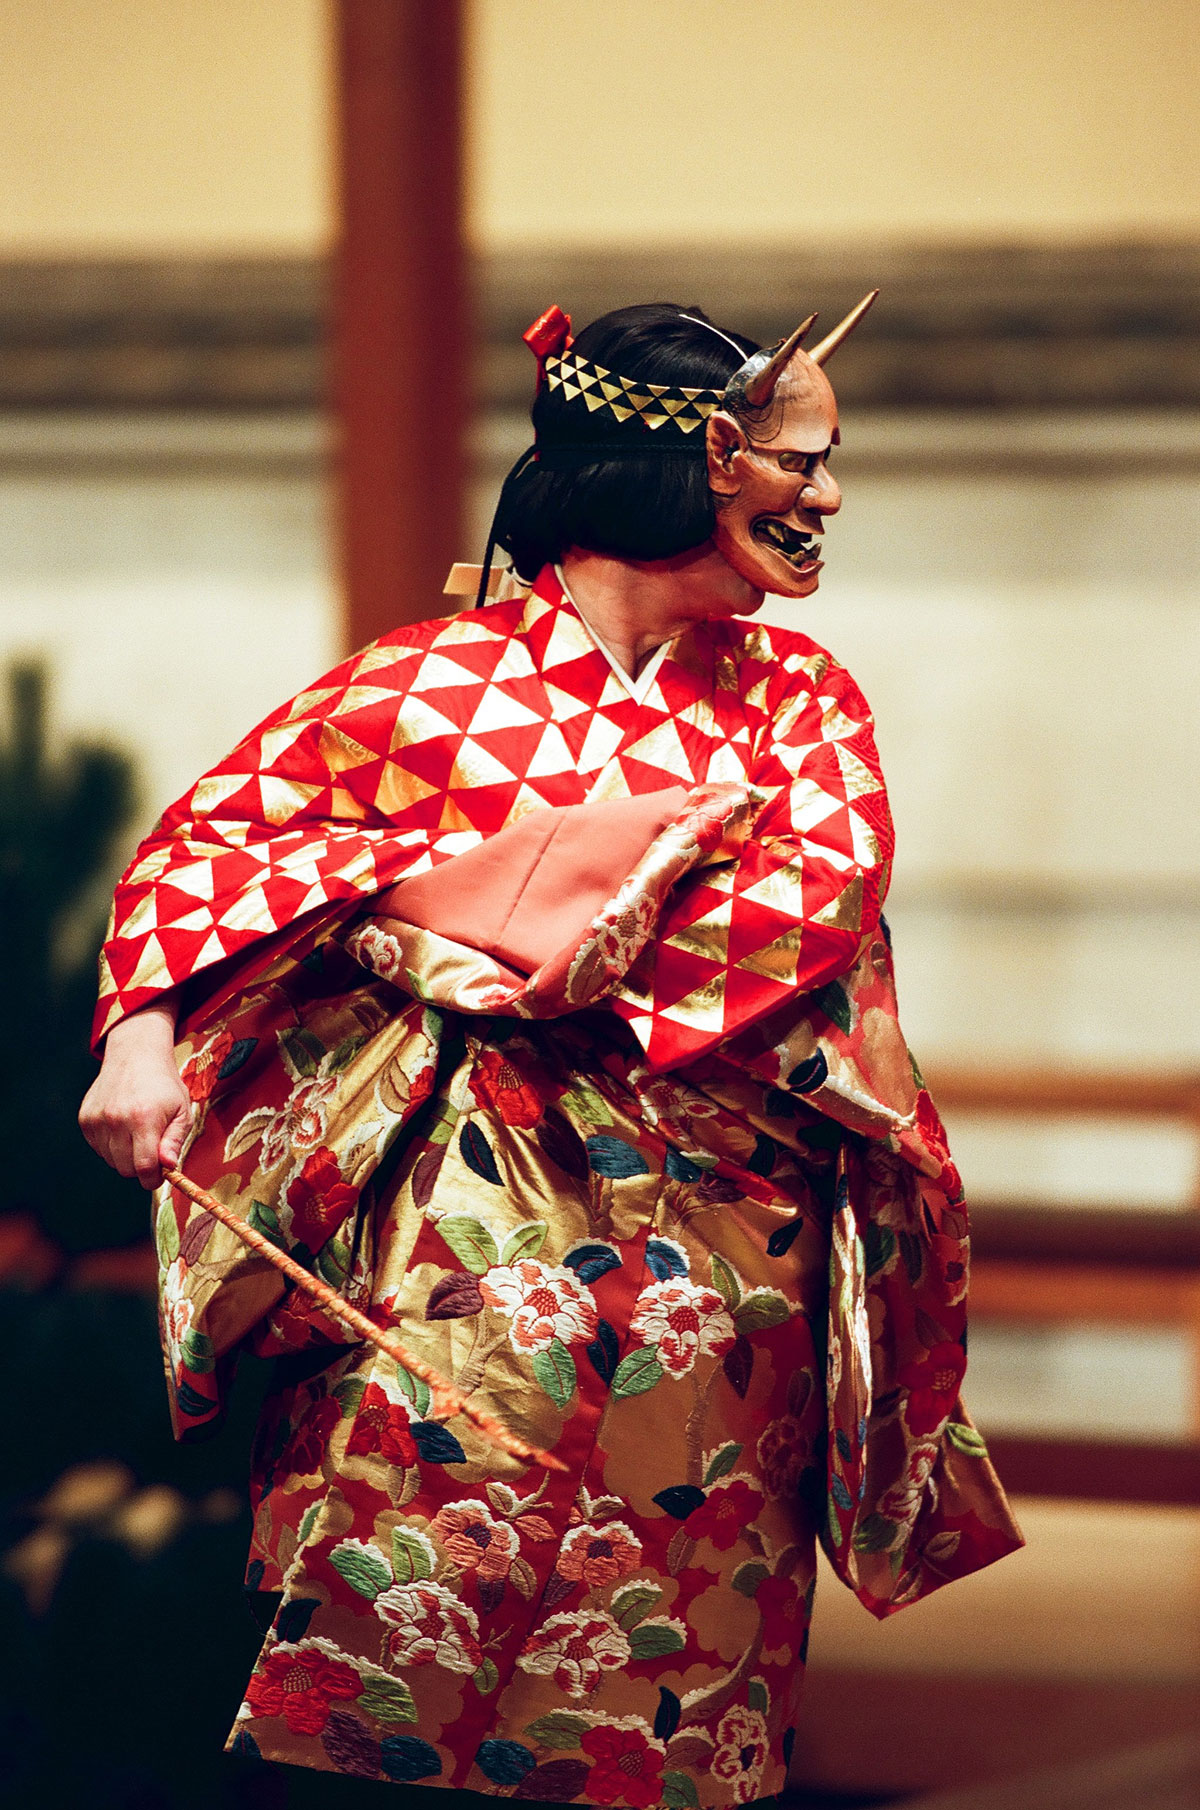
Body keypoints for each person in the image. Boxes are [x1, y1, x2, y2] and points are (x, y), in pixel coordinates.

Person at [81, 296, 1022, 1807]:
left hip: (711, 1293)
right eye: (795, 461)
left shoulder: (800, 706)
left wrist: (441, 916)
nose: (829, 498)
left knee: (668, 1702)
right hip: (436, 1281)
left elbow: (800, 910)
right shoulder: (418, 688)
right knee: (383, 1648)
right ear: (672, 468)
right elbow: (208, 853)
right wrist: (138, 1040)